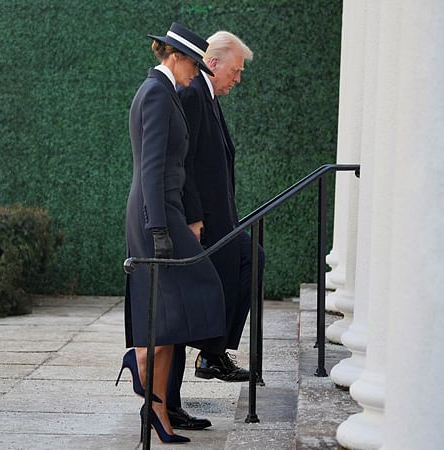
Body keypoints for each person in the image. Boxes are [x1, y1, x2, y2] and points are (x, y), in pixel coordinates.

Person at [118, 22, 225, 444]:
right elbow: (150, 168)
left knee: (166, 318)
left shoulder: (165, 93)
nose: (196, 75)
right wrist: (159, 227)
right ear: (176, 58)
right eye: (195, 66)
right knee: (194, 294)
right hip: (155, 216)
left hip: (163, 211)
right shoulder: (157, 94)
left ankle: (158, 413)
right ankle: (139, 358)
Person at [165, 31, 265, 429]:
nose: (237, 79)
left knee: (250, 258)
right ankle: (203, 363)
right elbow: (183, 161)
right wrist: (193, 216)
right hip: (202, 223)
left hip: (222, 219)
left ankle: (213, 352)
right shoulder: (192, 95)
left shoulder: (209, 98)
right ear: (214, 62)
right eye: (236, 71)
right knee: (179, 309)